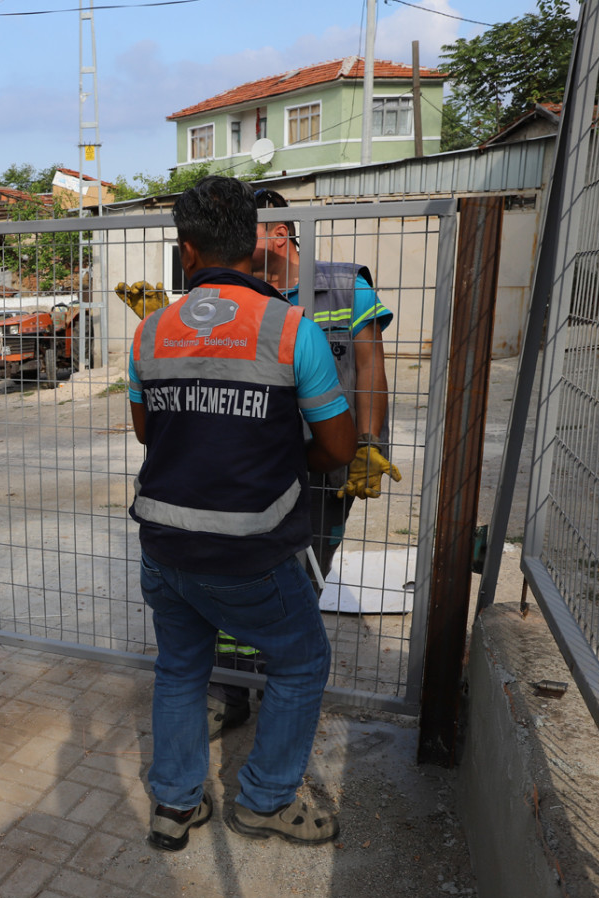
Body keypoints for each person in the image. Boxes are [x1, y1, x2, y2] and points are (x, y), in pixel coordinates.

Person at [129, 176, 354, 850]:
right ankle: (263, 800)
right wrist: (281, 459)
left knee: (179, 667)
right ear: (253, 247)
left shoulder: (149, 332)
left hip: (165, 545)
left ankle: (174, 804)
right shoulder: (291, 330)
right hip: (248, 549)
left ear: (187, 252)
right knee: (302, 660)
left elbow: (147, 432)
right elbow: (337, 448)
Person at [205, 188, 404, 738]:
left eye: (246, 227)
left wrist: (369, 442)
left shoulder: (345, 286)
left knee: (300, 578)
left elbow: (370, 367)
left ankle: (280, 685)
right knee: (235, 574)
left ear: (279, 232)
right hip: (251, 468)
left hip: (323, 465)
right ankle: (230, 689)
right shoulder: (234, 294)